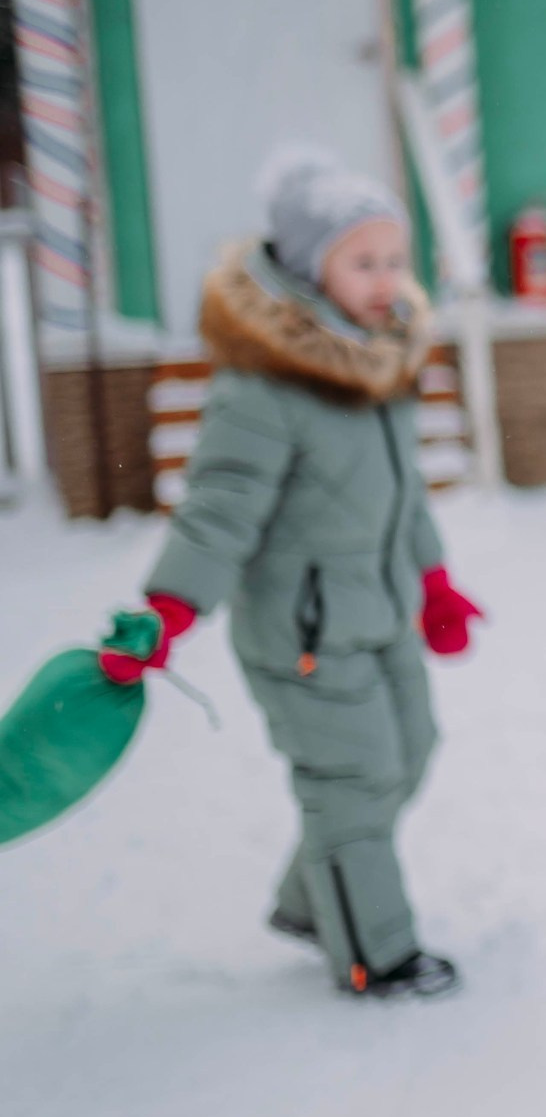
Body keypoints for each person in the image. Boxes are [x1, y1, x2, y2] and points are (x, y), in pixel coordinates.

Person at [99, 148, 480, 999]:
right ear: (311, 269)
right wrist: (168, 606)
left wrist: (434, 583)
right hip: (304, 630)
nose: (387, 279)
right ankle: (374, 951)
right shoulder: (262, 390)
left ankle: (316, 900)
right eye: (363, 261)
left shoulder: (380, 365)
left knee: (411, 752)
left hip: (378, 610)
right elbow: (218, 508)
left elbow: (404, 496)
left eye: (393, 259)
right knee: (354, 781)